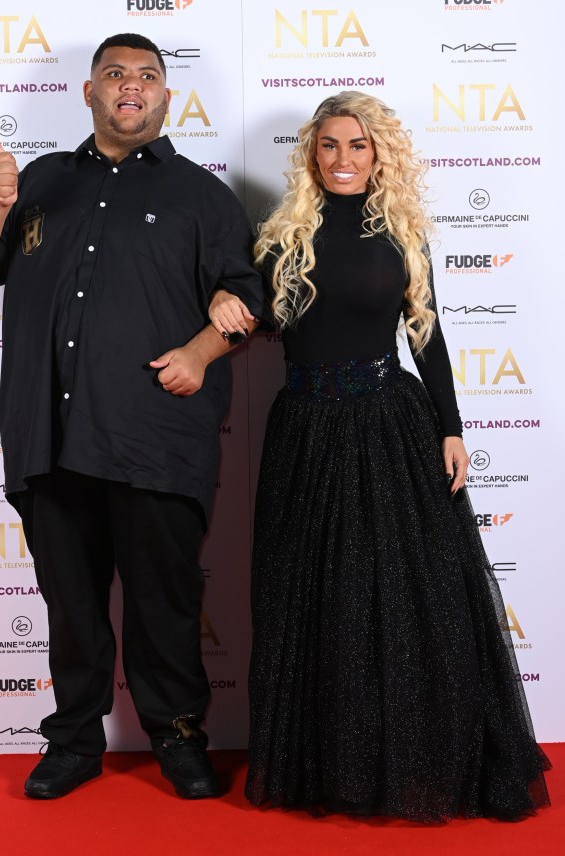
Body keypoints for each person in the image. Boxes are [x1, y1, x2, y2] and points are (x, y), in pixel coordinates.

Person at [209, 91, 550, 822]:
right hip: (303, 429)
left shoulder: (401, 231)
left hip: (391, 427)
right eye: (328, 145)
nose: (342, 159)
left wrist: (452, 428)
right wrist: (219, 306)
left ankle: (415, 759)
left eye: (357, 146)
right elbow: (250, 311)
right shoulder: (279, 236)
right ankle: (328, 766)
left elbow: (426, 334)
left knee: (402, 604)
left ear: (378, 153)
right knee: (313, 598)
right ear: (311, 154)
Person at [0, 33, 266, 801]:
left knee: (164, 601)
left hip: (155, 436)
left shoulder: (203, 195)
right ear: (88, 92)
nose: (132, 86)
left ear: (165, 96)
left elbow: (249, 300)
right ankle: (74, 742)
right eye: (115, 74)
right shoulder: (39, 182)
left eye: (147, 76)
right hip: (49, 436)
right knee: (72, 603)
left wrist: (200, 350)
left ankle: (180, 736)